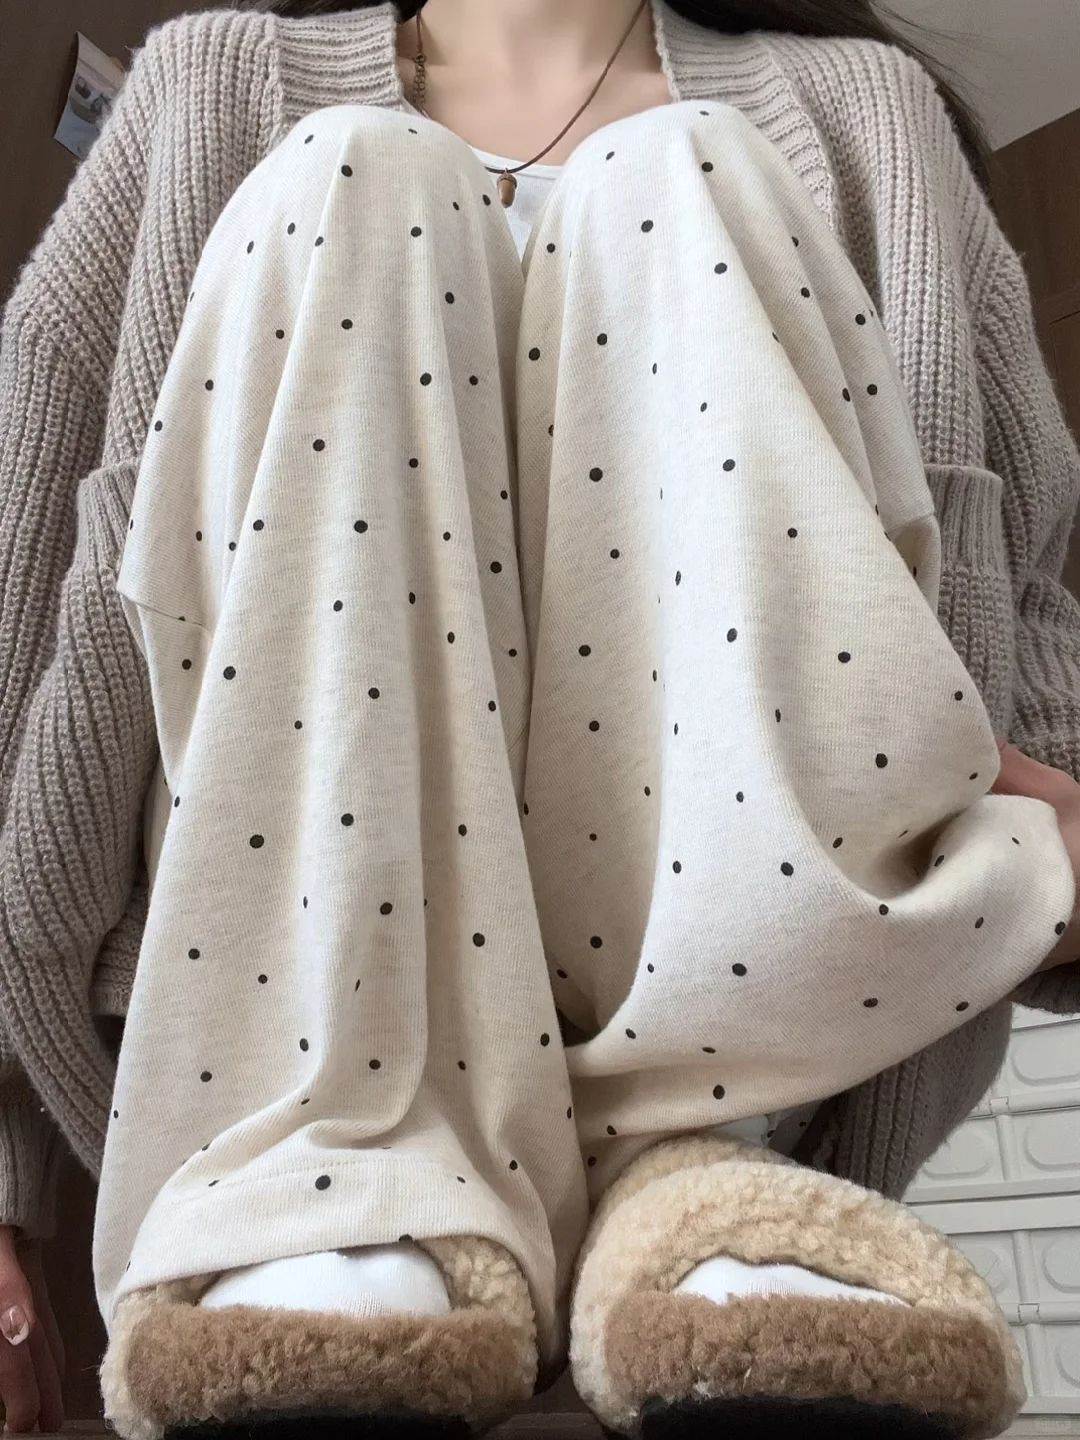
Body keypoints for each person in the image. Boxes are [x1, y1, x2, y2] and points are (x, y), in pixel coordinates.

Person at [1, 1, 1078, 1436]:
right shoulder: (210, 89)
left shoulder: (865, 110)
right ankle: (348, 1157)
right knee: (356, 176)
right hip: (278, 1055)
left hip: (781, 1076)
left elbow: (1033, 574)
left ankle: (702, 1156)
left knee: (685, 170)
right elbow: (19, 584)